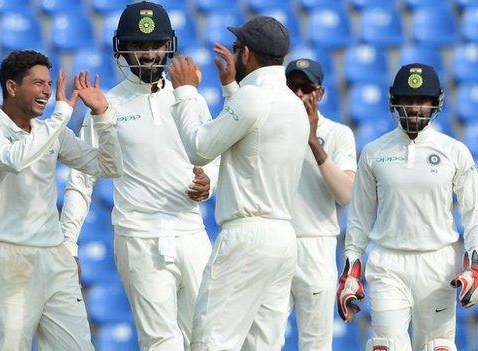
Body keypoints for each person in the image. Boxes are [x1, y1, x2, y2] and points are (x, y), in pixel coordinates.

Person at [59, 2, 218, 350]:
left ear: (168, 46)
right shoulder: (106, 104)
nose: (149, 54)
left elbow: (214, 156)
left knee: (208, 338)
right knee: (160, 341)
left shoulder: (189, 98)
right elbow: (81, 179)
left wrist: (209, 183)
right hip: (138, 236)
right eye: (139, 46)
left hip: (191, 230)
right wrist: (69, 242)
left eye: (156, 45)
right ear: (122, 48)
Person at [167, 15, 310, 351]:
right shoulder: (292, 103)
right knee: (263, 345)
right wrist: (231, 87)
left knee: (210, 341)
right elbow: (251, 135)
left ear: (246, 54)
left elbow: (200, 149)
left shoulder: (253, 98)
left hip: (247, 237)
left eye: (236, 48)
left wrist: (186, 91)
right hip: (283, 238)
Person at [0, 50, 122, 351]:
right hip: (6, 257)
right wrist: (61, 114)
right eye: (38, 83)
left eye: (49, 84)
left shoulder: (50, 131)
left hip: (54, 257)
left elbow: (108, 167)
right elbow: (15, 159)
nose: (48, 92)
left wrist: (102, 117)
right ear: (12, 87)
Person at [337, 63, 478, 351]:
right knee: (386, 346)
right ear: (395, 102)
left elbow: (473, 214)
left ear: (435, 102)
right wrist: (351, 270)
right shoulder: (375, 152)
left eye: (422, 100)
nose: (414, 108)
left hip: (438, 264)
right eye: (408, 100)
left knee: (437, 346)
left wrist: (474, 263)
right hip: (388, 263)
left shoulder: (454, 152)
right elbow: (360, 219)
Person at [284, 58, 357, 351]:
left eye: (307, 88)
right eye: (294, 87)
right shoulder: (268, 127)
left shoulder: (338, 134)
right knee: (263, 336)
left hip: (316, 244)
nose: (300, 95)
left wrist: (313, 141)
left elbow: (346, 193)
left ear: (321, 93)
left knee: (316, 343)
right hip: (276, 240)